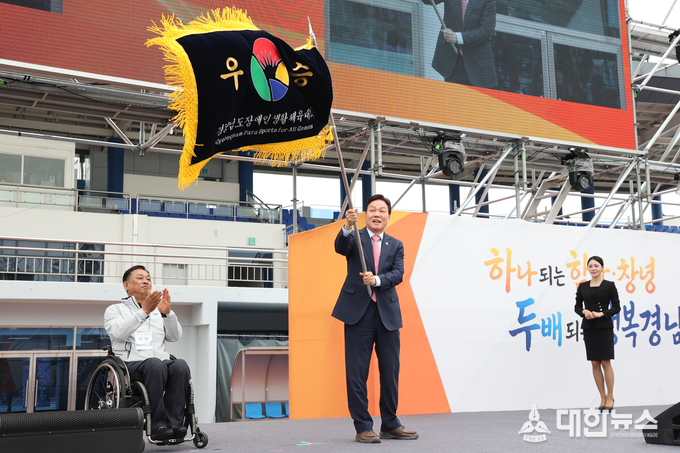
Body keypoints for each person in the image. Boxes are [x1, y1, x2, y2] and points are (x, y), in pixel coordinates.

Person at [333, 194, 418, 443]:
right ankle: (363, 426)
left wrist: (377, 280)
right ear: (365, 214)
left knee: (390, 372)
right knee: (356, 373)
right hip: (357, 314)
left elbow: (398, 274)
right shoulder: (354, 237)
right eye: (372, 210)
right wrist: (347, 225)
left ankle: (390, 424)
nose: (377, 214)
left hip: (387, 316)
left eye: (382, 210)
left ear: (388, 216)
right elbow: (340, 247)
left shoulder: (396, 244)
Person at [104, 265, 191, 443]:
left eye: (148, 279)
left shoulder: (158, 312)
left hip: (158, 362)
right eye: (140, 278)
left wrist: (167, 314)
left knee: (180, 365)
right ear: (126, 285)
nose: (146, 281)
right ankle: (157, 426)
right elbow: (119, 333)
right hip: (131, 363)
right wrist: (144, 312)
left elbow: (175, 336)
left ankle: (174, 425)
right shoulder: (115, 310)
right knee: (154, 364)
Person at [574, 256, 620, 412]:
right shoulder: (582, 286)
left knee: (605, 361)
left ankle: (610, 396)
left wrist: (602, 314)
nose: (593, 268)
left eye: (596, 265)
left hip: (604, 327)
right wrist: (584, 312)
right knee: (594, 363)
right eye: (590, 266)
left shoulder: (609, 285)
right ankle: (602, 397)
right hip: (589, 327)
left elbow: (617, 307)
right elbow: (577, 307)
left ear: (602, 267)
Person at [423, 0, 498, 88]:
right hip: (452, 60)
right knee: (452, 94)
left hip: (477, 64)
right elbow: (428, 1)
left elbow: (486, 32)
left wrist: (458, 37)